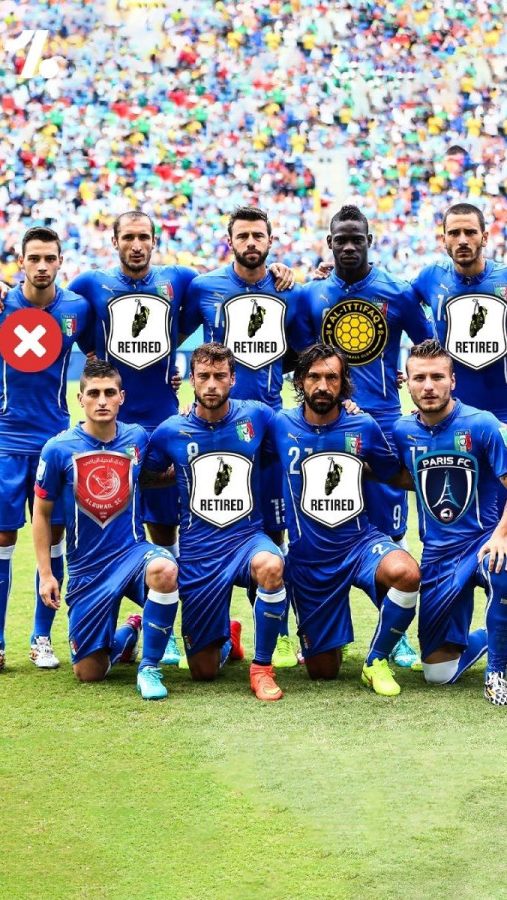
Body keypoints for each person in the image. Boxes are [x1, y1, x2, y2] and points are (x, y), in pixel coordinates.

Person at [0, 211, 293, 667]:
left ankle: (180, 632)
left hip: (162, 422)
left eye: (144, 236)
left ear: (154, 240)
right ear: (114, 242)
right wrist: (0, 286)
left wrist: (278, 269)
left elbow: (206, 305)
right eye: (128, 236)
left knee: (167, 527)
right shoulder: (90, 285)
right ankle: (93, 627)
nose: (136, 244)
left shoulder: (180, 280)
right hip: (111, 426)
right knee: (101, 521)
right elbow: (47, 301)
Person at [300, 205, 434, 668]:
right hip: (326, 427)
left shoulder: (396, 292)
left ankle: (394, 635)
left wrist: (414, 390)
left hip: (382, 426)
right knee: (322, 523)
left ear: (370, 240)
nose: (349, 246)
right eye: (341, 239)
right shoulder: (312, 295)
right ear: (329, 242)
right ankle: (316, 629)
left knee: (387, 531)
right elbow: (299, 359)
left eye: (357, 238)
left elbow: (428, 348)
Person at [180, 207, 305, 669]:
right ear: (229, 240)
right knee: (207, 523)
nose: (251, 242)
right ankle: (212, 631)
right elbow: (169, 334)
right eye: (243, 235)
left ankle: (278, 635)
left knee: (271, 532)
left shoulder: (288, 290)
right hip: (213, 427)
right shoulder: (203, 287)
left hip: (266, 428)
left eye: (258, 235)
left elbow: (301, 353)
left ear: (271, 240)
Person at [0, 226, 94, 675]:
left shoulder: (77, 309)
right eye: (34, 258)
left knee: (55, 537)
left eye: (50, 258)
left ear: (61, 261)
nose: (42, 266)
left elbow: (100, 360)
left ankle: (41, 638)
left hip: (55, 444)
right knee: (2, 538)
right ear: (20, 261)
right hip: (6, 441)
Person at [271, 343, 421, 696]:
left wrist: (438, 476)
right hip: (310, 560)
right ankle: (329, 640)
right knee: (324, 672)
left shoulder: (362, 424)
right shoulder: (279, 424)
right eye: (314, 377)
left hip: (359, 544)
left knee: (407, 572)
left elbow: (392, 473)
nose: (323, 386)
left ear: (344, 383)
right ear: (300, 381)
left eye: (332, 378)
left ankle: (376, 659)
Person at [142, 343, 287, 702]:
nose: (211, 384)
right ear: (191, 380)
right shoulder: (170, 430)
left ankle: (262, 668)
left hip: (247, 538)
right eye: (203, 376)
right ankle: (227, 636)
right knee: (203, 671)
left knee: (272, 564)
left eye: (219, 376)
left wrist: (348, 405)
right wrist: (178, 476)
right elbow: (147, 476)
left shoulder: (257, 416)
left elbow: (302, 427)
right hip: (200, 549)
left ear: (232, 379)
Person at [32, 360, 180, 700]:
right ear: (80, 398)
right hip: (87, 569)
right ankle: (129, 631)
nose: (102, 400)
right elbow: (41, 513)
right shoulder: (58, 449)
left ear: (121, 397)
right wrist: (46, 574)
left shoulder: (137, 437)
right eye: (94, 393)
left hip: (133, 554)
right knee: (89, 673)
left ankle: (150, 667)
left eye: (110, 393)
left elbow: (151, 475)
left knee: (165, 569)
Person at [392, 340, 507, 705]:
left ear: (453, 380)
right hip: (438, 557)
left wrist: (501, 537)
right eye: (420, 378)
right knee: (437, 675)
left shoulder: (482, 424)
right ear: (406, 382)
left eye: (437, 377)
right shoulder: (402, 430)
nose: (428, 386)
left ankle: (496, 674)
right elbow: (404, 476)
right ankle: (499, 633)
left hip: (483, 541)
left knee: (502, 563)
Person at [411, 202, 507, 425]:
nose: (462, 240)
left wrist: (506, 323)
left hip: (506, 413)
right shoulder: (430, 276)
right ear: (443, 240)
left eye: (470, 232)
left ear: (485, 237)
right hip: (448, 415)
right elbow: (399, 307)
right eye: (454, 233)